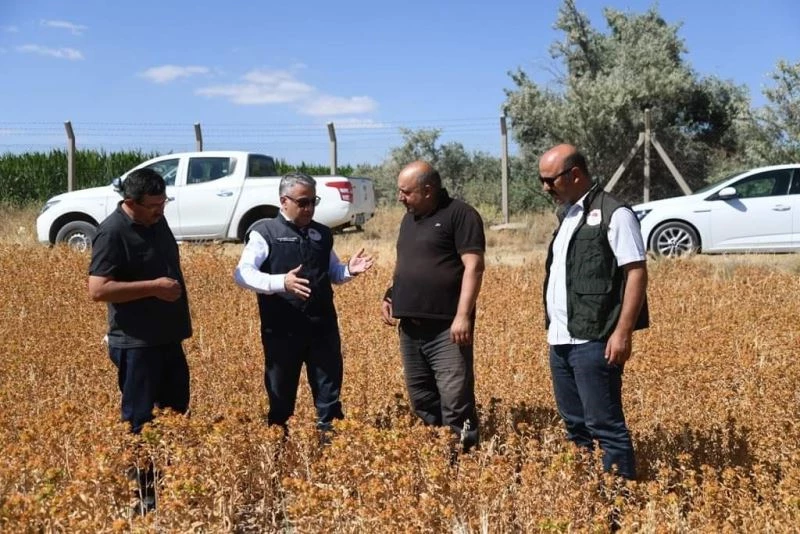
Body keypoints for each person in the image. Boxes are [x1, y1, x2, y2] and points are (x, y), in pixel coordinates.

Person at [234, 172, 373, 436]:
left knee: (329, 398)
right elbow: (243, 274)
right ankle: (278, 456)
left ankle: (331, 454)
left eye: (313, 201)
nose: (309, 208)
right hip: (282, 331)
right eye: (303, 202)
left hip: (322, 329)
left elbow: (331, 273)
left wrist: (349, 271)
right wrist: (280, 283)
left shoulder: (321, 233)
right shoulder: (265, 233)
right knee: (281, 400)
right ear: (283, 201)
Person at [539, 144, 649, 480]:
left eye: (550, 180)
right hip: (561, 339)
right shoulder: (569, 215)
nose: (545, 187)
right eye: (541, 180)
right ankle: (586, 497)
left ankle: (619, 507)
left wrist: (622, 332)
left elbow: (636, 272)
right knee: (575, 427)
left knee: (606, 426)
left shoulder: (616, 213)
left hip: (595, 339)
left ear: (574, 174)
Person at [88, 167, 192, 514]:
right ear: (130, 202)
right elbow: (98, 289)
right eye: (153, 204)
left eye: (164, 202)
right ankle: (143, 496)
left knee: (175, 413)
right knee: (139, 420)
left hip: (168, 337)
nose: (160, 209)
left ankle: (171, 485)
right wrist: (154, 288)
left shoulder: (156, 221)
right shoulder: (112, 232)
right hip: (136, 343)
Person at [381, 161, 485, 452]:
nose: (400, 197)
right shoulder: (409, 219)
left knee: (455, 400)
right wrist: (392, 295)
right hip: (411, 329)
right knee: (422, 399)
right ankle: (437, 456)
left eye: (406, 192)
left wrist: (463, 316)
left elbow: (474, 267)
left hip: (447, 329)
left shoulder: (461, 215)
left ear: (428, 190)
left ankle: (463, 459)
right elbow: (409, 265)